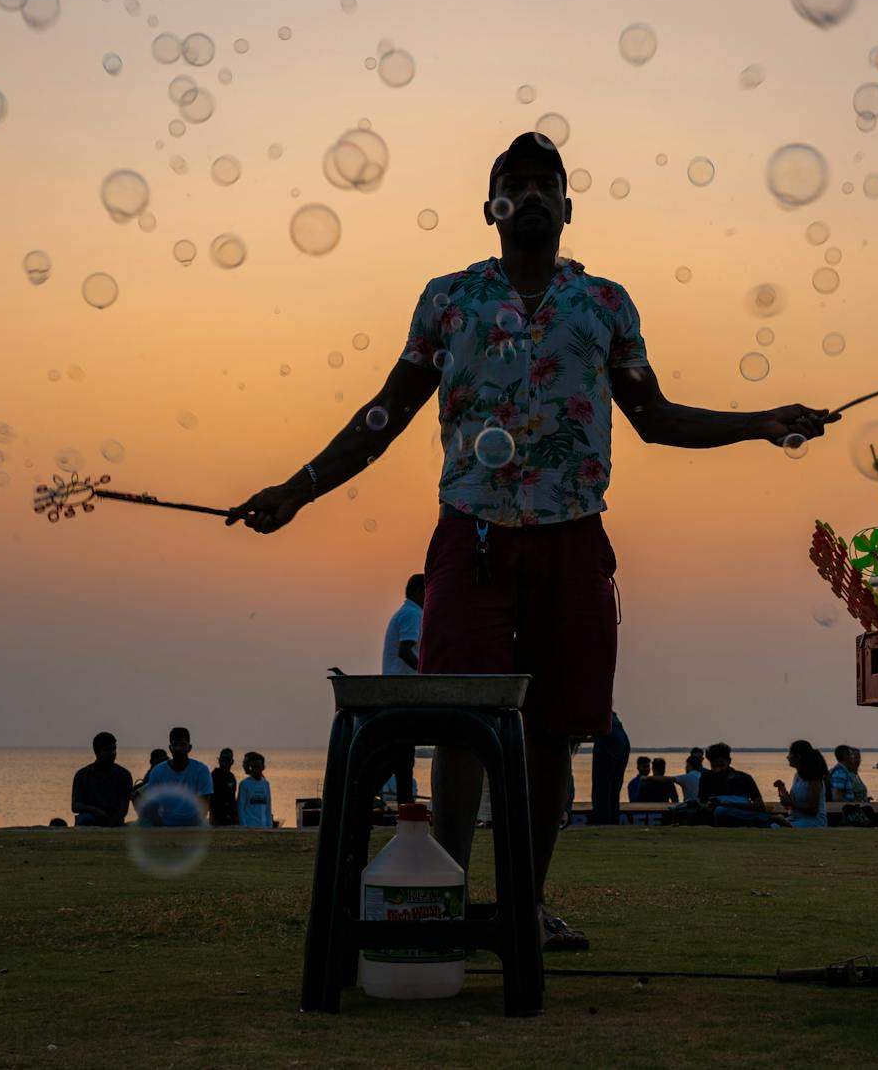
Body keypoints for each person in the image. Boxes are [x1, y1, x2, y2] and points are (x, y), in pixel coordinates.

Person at [227, 131, 838, 951]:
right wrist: (297, 490)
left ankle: (526, 903)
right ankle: (441, 901)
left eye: (547, 183)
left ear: (567, 205)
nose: (533, 194)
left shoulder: (605, 304)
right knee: (458, 721)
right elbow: (385, 414)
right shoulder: (449, 299)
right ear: (491, 208)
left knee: (557, 728)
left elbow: (654, 418)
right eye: (516, 184)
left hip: (573, 539)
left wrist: (761, 422)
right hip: (471, 536)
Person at [381, 574, 427, 803]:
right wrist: (425, 673)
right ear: (420, 591)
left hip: (399, 690)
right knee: (402, 755)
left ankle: (405, 804)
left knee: (402, 755)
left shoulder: (408, 613)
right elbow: (405, 650)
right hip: (402, 690)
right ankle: (405, 804)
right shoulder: (412, 614)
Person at [138, 727, 212, 827]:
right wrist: (161, 826)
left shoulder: (201, 770)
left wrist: (193, 826)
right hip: (164, 823)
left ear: (189, 748)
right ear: (170, 748)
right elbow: (152, 804)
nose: (179, 749)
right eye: (175, 745)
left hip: (195, 823)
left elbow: (204, 804)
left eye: (182, 745)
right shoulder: (158, 771)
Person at [70, 731, 134, 828]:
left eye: (114, 749)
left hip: (114, 819)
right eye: (108, 750)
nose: (113, 753)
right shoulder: (82, 775)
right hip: (89, 818)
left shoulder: (124, 775)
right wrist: (94, 810)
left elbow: (123, 809)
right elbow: (75, 806)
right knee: (85, 819)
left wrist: (111, 822)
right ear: (97, 752)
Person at [775, 741, 831, 828]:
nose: (787, 757)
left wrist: (791, 803)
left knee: (776, 827)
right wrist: (782, 789)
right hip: (796, 819)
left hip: (813, 822)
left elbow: (813, 810)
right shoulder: (797, 776)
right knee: (772, 825)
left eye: (790, 754)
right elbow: (790, 806)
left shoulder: (814, 779)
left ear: (798, 757)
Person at [588, 712, 630, 827]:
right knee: (613, 790)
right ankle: (611, 824)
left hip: (608, 735)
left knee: (602, 790)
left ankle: (603, 824)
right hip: (621, 737)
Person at [698, 742, 765, 806]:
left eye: (721, 765)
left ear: (729, 761)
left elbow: (760, 805)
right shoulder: (706, 778)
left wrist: (732, 805)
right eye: (714, 766)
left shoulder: (744, 779)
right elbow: (702, 802)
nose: (718, 770)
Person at [237, 751, 274, 828]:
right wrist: (244, 827)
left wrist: (269, 826)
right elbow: (241, 808)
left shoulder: (266, 784)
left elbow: (268, 807)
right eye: (253, 767)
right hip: (250, 826)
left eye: (258, 767)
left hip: (264, 826)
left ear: (263, 767)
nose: (255, 770)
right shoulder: (244, 784)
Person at [210, 747, 239, 826]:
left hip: (231, 818)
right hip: (217, 818)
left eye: (227, 759)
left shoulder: (232, 777)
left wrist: (236, 817)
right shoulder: (214, 775)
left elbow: (233, 798)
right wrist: (212, 819)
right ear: (219, 760)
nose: (225, 762)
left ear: (232, 762)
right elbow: (210, 800)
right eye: (223, 759)